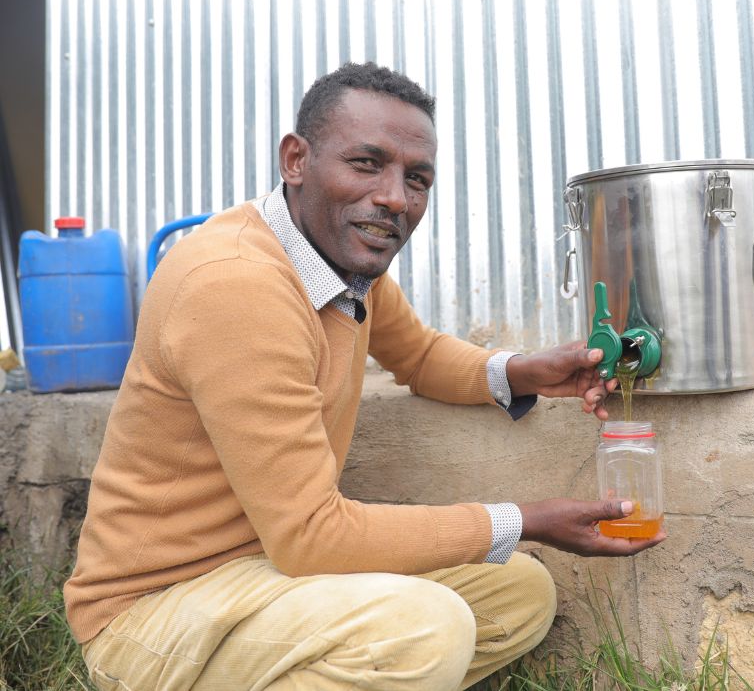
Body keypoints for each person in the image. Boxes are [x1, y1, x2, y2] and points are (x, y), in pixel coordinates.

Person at [65, 61, 665, 691]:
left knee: (515, 593)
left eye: (418, 179)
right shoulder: (235, 284)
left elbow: (420, 356)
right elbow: (312, 538)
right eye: (365, 163)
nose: (394, 198)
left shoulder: (343, 265)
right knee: (427, 630)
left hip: (268, 575)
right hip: (158, 612)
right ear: (295, 160)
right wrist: (526, 518)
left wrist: (526, 372)